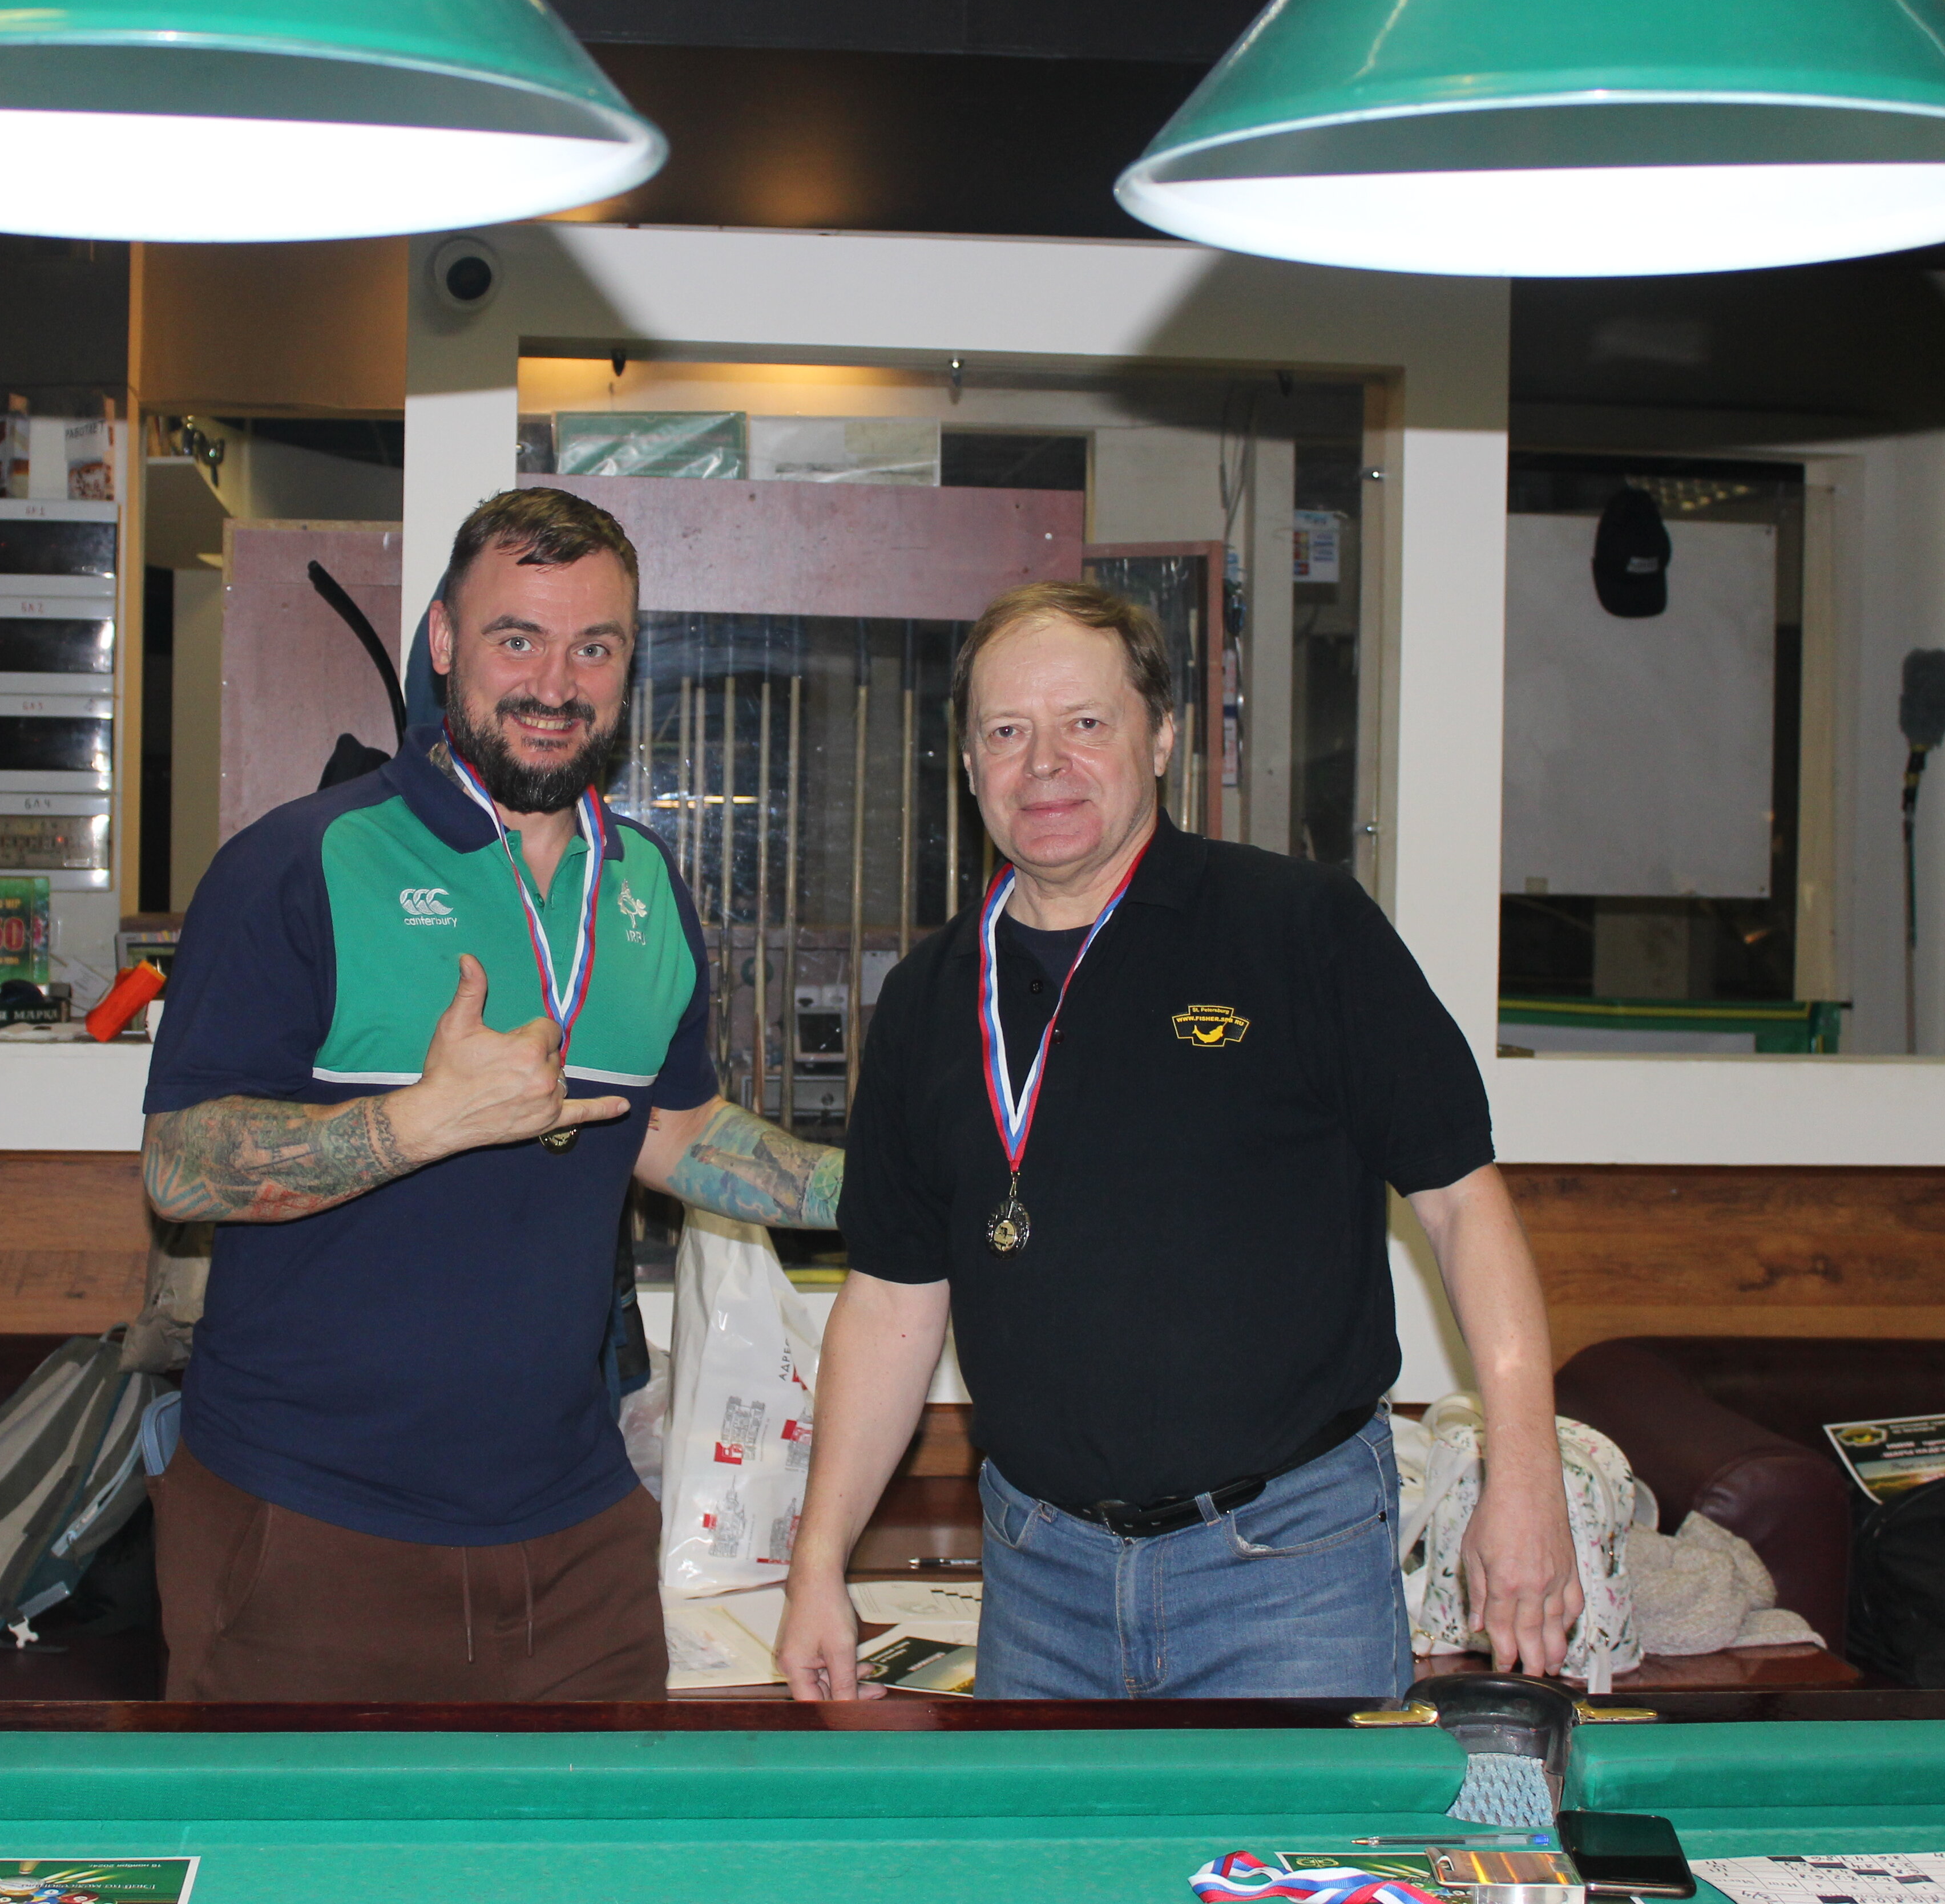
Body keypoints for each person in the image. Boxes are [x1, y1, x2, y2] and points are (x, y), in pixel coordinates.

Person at [775, 580, 1580, 1701]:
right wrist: (818, 1561)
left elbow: (1460, 1202)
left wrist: (1524, 1473)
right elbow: (890, 1304)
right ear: (966, 765)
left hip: (1287, 1572)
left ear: (1159, 737)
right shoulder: (925, 999)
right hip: (1037, 1584)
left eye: (1084, 722)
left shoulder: (1300, 928)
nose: (1043, 764)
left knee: (1320, 1832)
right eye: (1005, 732)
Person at [140, 486, 844, 1701]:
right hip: (309, 1528)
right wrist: (418, 1122)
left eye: (594, 647)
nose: (554, 684)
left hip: (575, 1540)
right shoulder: (301, 863)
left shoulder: (645, 885)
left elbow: (670, 1130)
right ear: (443, 641)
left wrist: (887, 1190)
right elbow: (178, 1167)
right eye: (517, 638)